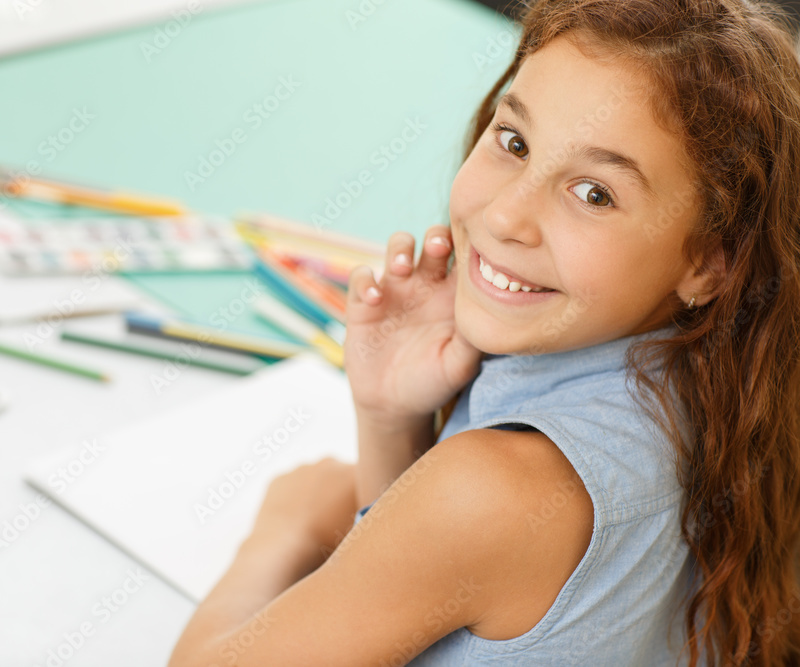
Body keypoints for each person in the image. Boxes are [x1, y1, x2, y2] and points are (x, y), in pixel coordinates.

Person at [168, 0, 800, 664]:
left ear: (710, 261)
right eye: (515, 142)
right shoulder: (734, 384)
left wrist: (280, 531)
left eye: (594, 193)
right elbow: (447, 577)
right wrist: (389, 418)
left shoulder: (495, 493)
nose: (504, 216)